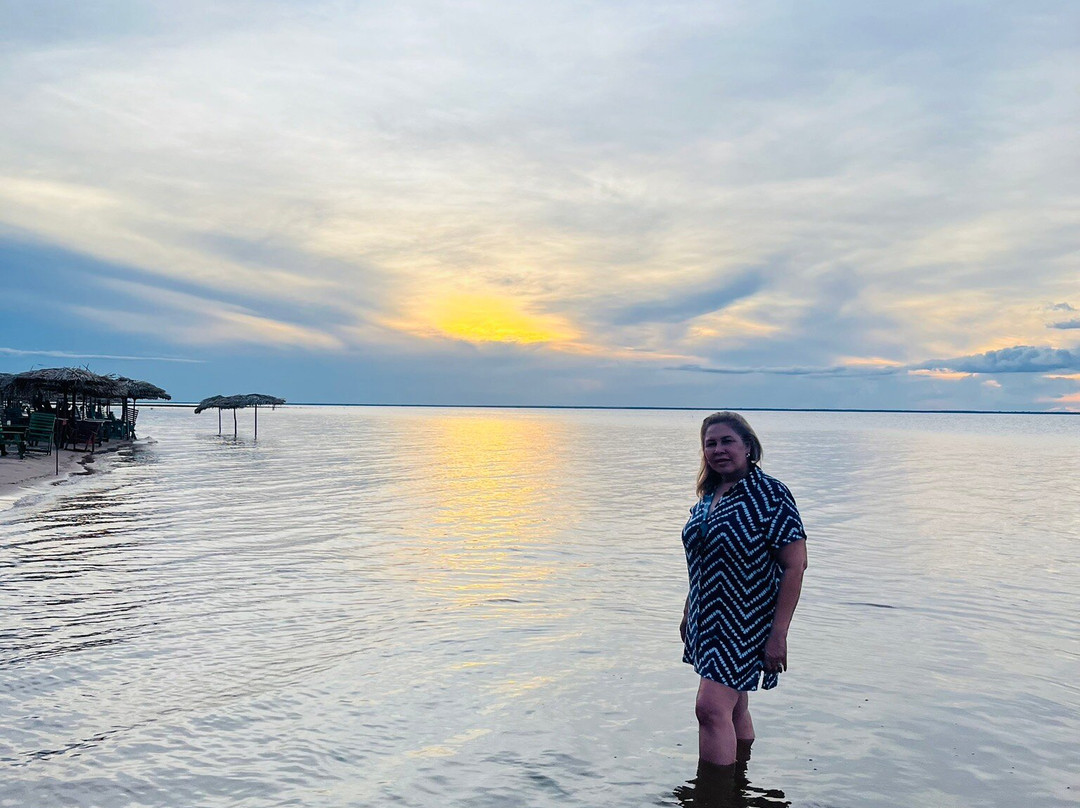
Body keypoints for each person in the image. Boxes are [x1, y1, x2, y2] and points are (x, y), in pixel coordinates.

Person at [680, 411, 807, 803]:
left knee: (709, 708)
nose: (718, 450)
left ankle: (714, 797)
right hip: (708, 618)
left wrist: (778, 634)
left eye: (727, 441)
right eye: (710, 443)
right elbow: (704, 559)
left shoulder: (770, 494)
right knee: (733, 707)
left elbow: (795, 564)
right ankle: (740, 779)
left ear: (748, 447)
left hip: (746, 620)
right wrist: (688, 611)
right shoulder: (708, 495)